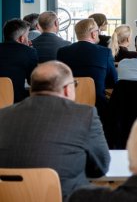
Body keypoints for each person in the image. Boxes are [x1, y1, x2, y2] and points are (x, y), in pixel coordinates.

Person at [0, 61, 110, 199]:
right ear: (67, 89)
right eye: (74, 84)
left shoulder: (2, 115)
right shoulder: (85, 114)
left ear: (32, 88)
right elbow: (101, 167)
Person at [57, 18, 118, 111]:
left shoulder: (62, 52)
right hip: (97, 106)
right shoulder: (105, 52)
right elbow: (113, 81)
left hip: (68, 104)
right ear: (93, 34)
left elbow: (60, 79)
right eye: (98, 30)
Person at [0, 19, 38, 103]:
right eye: (27, 36)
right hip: (15, 102)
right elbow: (32, 81)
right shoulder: (29, 52)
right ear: (22, 39)